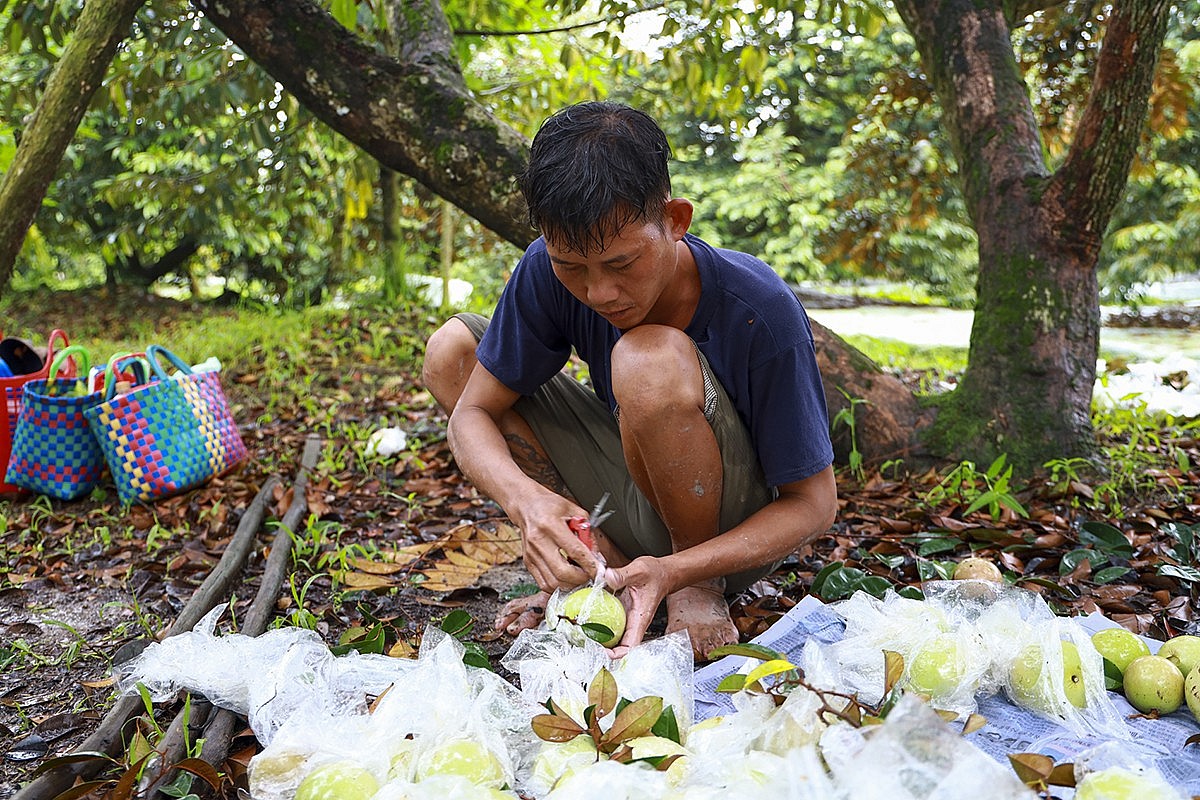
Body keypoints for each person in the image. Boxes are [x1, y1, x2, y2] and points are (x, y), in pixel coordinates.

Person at [422, 101, 837, 660]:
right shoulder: (543, 269)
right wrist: (529, 505)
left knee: (646, 357)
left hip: (727, 535)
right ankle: (597, 572)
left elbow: (814, 504)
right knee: (454, 350)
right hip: (636, 496)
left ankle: (692, 589)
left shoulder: (758, 307)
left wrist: (680, 568)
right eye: (571, 267)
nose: (599, 294)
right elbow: (469, 415)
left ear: (675, 221)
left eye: (621, 264)